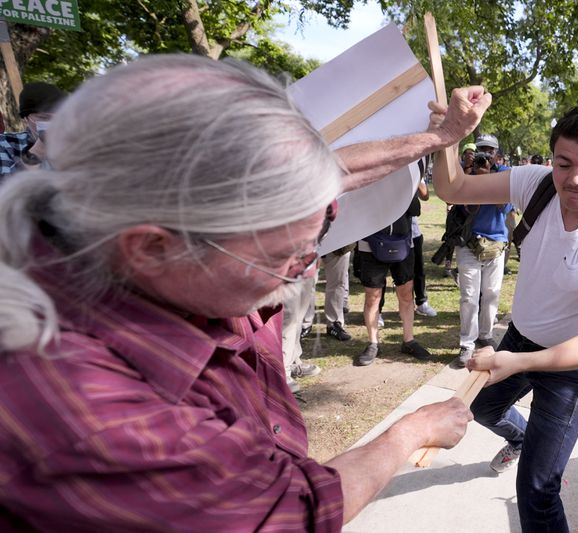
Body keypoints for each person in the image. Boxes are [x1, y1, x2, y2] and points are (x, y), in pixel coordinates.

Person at [0, 54, 477, 530]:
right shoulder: (93, 413)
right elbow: (292, 512)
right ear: (150, 247)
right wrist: (410, 432)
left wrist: (438, 138)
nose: (303, 271)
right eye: (284, 257)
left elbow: (335, 174)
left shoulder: (201, 236)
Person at [431, 89, 578, 532]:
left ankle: (535, 452)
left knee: (538, 490)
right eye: (563, 164)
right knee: (483, 411)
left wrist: (518, 362)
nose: (574, 180)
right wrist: (450, 135)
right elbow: (451, 188)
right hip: (521, 337)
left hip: (572, 366)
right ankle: (522, 437)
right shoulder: (536, 184)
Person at [356, 195, 433, 366]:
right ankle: (373, 343)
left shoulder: (405, 180)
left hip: (403, 242)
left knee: (406, 294)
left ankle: (409, 340)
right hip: (370, 242)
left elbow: (416, 209)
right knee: (372, 297)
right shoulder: (370, 181)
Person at [453, 152, 513, 367]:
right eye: (481, 152)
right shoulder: (466, 174)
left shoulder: (505, 174)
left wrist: (489, 178)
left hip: (496, 245)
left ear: (497, 156)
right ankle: (467, 343)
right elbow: (469, 208)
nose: (484, 159)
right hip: (468, 243)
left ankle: (485, 335)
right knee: (469, 296)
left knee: (491, 293)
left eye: (489, 153)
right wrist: (476, 179)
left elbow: (503, 207)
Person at [0, 82, 65, 180]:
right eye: (44, 118)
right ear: (26, 119)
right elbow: (5, 189)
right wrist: (39, 149)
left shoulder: (75, 144)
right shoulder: (6, 144)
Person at [412, 174, 438, 317]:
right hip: (388, 231)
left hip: (412, 231)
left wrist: (417, 176)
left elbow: (425, 195)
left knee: (418, 269)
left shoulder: (415, 171)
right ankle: (378, 310)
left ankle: (421, 302)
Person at [323, 244, 355, 340]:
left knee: (337, 283)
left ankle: (334, 323)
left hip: (339, 241)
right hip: (306, 238)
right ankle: (304, 325)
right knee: (305, 284)